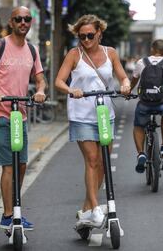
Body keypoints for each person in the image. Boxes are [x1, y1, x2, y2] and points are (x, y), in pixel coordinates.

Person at [0, 6, 46, 231]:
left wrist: (41, 90)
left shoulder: (32, 50)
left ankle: (14, 208)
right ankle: (8, 215)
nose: (23, 22)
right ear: (11, 23)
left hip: (20, 116)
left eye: (27, 19)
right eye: (18, 19)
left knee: (22, 165)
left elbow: (41, 79)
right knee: (9, 167)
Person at [54, 14, 131, 227]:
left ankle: (86, 209)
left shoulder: (111, 53)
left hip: (105, 114)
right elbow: (59, 81)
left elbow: (122, 76)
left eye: (90, 35)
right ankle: (96, 208)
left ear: (99, 33)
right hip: (81, 115)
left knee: (104, 164)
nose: (86, 40)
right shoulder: (73, 54)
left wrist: (125, 84)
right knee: (92, 160)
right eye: (82, 37)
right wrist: (72, 89)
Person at [130, 39, 163, 173]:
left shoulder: (141, 62)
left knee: (139, 126)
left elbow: (134, 80)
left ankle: (141, 153)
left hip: (145, 103)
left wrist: (128, 91)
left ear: (152, 49)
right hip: (162, 103)